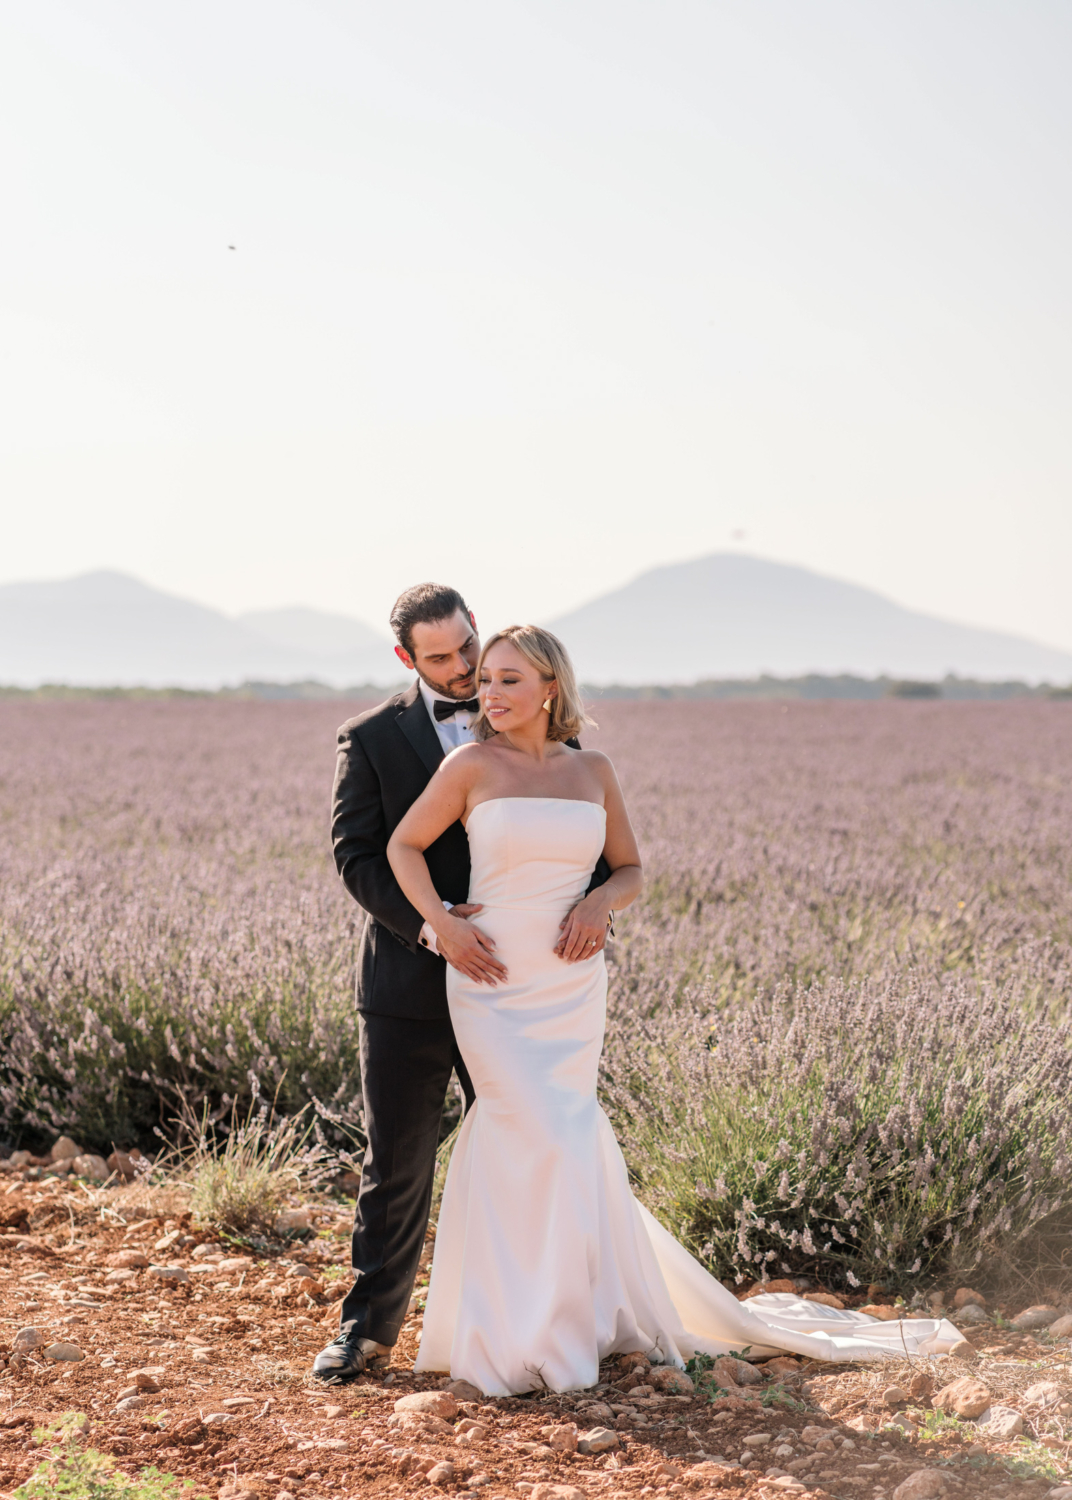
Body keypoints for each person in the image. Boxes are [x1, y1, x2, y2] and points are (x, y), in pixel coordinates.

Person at [386, 624, 966, 1395]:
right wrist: (444, 925)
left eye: (508, 680)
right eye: (484, 679)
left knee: (564, 1131)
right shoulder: (468, 765)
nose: (488, 694)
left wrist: (599, 901)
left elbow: (630, 869)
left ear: (550, 687)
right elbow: (401, 847)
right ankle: (510, 1328)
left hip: (570, 984)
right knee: (529, 1132)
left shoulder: (593, 769)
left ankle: (571, 1319)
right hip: (490, 977)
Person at [314, 586, 607, 1382]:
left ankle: (533, 1325)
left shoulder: (529, 721)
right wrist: (435, 925)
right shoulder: (371, 737)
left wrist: (598, 905)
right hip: (410, 982)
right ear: (407, 659)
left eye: (466, 650)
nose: (462, 670)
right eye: (437, 657)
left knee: (529, 1148)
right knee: (398, 1161)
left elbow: (604, 858)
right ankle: (367, 1332)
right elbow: (359, 857)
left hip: (526, 992)